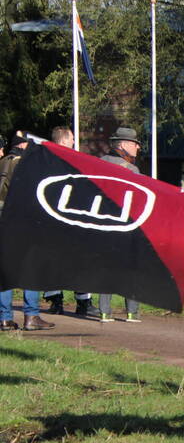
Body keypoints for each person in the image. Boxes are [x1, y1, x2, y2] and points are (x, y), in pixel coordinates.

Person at [42, 126, 101, 318]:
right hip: (62, 216)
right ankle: (68, 301)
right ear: (64, 140)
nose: (75, 142)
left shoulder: (47, 160)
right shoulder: (57, 160)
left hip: (67, 217)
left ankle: (73, 301)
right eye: (72, 139)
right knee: (62, 260)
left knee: (75, 260)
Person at [0, 132, 55, 331]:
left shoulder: (2, 162)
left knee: (5, 270)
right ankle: (31, 316)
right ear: (24, 145)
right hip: (21, 221)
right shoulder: (22, 163)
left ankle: (4, 318)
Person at [96, 127, 143, 323]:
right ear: (123, 145)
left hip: (102, 224)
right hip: (126, 225)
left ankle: (105, 312)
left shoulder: (99, 164)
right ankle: (132, 313)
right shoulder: (131, 169)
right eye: (134, 144)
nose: (138, 147)